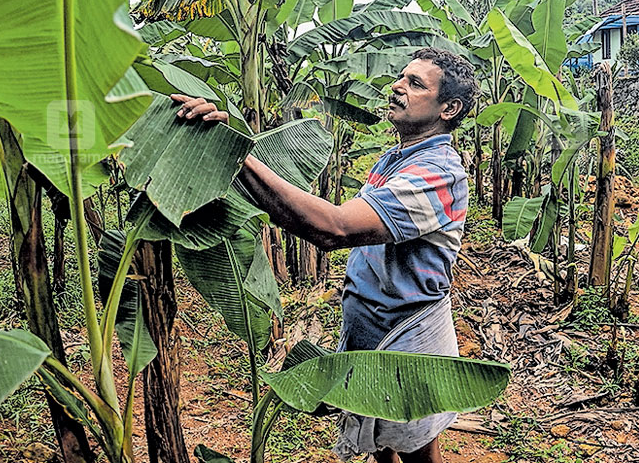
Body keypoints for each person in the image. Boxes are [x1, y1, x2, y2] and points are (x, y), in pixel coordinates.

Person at [172, 47, 478, 463]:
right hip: (369, 322)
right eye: (401, 77)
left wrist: (237, 153)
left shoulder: (438, 173)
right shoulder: (397, 158)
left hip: (407, 332)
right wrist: (228, 147)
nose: (397, 87)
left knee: (418, 451)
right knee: (380, 441)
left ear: (449, 108)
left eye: (415, 83)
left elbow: (333, 228)